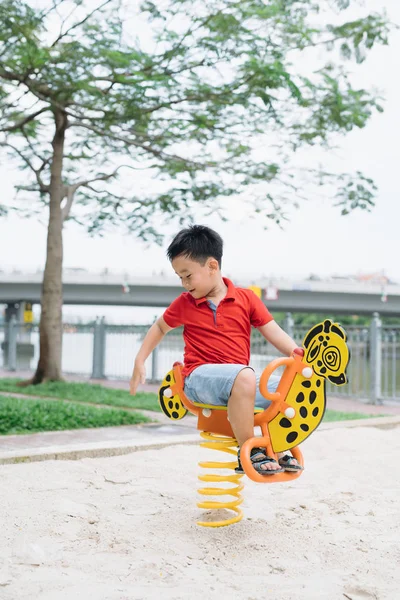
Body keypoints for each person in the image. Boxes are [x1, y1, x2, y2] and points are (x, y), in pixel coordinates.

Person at [130, 225, 303, 475]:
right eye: (180, 277)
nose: (184, 283)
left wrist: (297, 354)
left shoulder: (246, 299)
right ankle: (249, 450)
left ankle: (277, 444)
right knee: (243, 375)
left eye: (188, 275)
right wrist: (140, 359)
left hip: (237, 382)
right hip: (199, 379)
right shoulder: (184, 304)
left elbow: (272, 330)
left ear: (212, 266)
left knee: (288, 384)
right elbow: (160, 327)